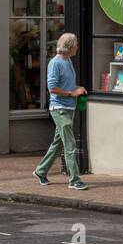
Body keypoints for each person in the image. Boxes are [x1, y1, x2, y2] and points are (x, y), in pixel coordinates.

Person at [34, 32, 88, 190]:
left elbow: (65, 85)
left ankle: (40, 171)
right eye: (76, 45)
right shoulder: (55, 63)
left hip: (68, 107)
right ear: (70, 47)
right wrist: (71, 93)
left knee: (58, 144)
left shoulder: (68, 61)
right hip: (59, 109)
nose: (77, 47)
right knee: (70, 145)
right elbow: (52, 89)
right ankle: (74, 180)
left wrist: (77, 88)